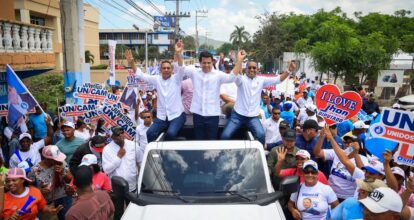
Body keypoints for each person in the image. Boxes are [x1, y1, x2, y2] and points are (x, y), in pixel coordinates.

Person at [220, 57, 294, 146]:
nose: (252, 69)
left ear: (257, 69)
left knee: (261, 135)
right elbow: (233, 75)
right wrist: (239, 60)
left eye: (254, 68)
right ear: (245, 69)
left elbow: (278, 79)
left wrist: (289, 70)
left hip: (252, 117)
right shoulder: (241, 79)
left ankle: (261, 155)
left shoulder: (261, 80)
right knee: (225, 136)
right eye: (249, 67)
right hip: (238, 116)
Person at [176, 42, 242, 140]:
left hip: (213, 115)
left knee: (212, 141)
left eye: (209, 63)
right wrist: (178, 53)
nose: (206, 65)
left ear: (212, 62)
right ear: (200, 63)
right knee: (199, 141)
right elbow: (182, 68)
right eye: (204, 63)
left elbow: (232, 77)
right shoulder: (194, 72)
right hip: (197, 114)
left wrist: (240, 60)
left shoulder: (218, 75)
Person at [126, 46, 186, 143]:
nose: (166, 70)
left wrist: (178, 53)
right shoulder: (156, 79)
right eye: (164, 68)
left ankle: (168, 154)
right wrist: (132, 62)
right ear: (160, 70)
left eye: (168, 68)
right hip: (162, 117)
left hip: (177, 116)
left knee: (171, 134)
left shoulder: (176, 79)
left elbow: (181, 68)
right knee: (150, 133)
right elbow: (141, 75)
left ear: (171, 69)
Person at [102, 126, 145, 220]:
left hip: (132, 186)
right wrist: (118, 157)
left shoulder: (133, 145)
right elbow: (106, 170)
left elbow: (141, 162)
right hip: (116, 189)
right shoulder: (107, 149)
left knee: (133, 212)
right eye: (117, 134)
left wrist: (142, 181)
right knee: (118, 213)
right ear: (111, 136)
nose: (121, 135)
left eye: (122, 132)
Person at [28, 145, 73, 220]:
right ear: (47, 159)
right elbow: (29, 189)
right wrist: (40, 191)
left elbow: (70, 180)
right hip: (46, 201)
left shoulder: (61, 163)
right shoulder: (34, 170)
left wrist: (63, 172)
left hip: (63, 196)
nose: (57, 161)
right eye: (54, 159)